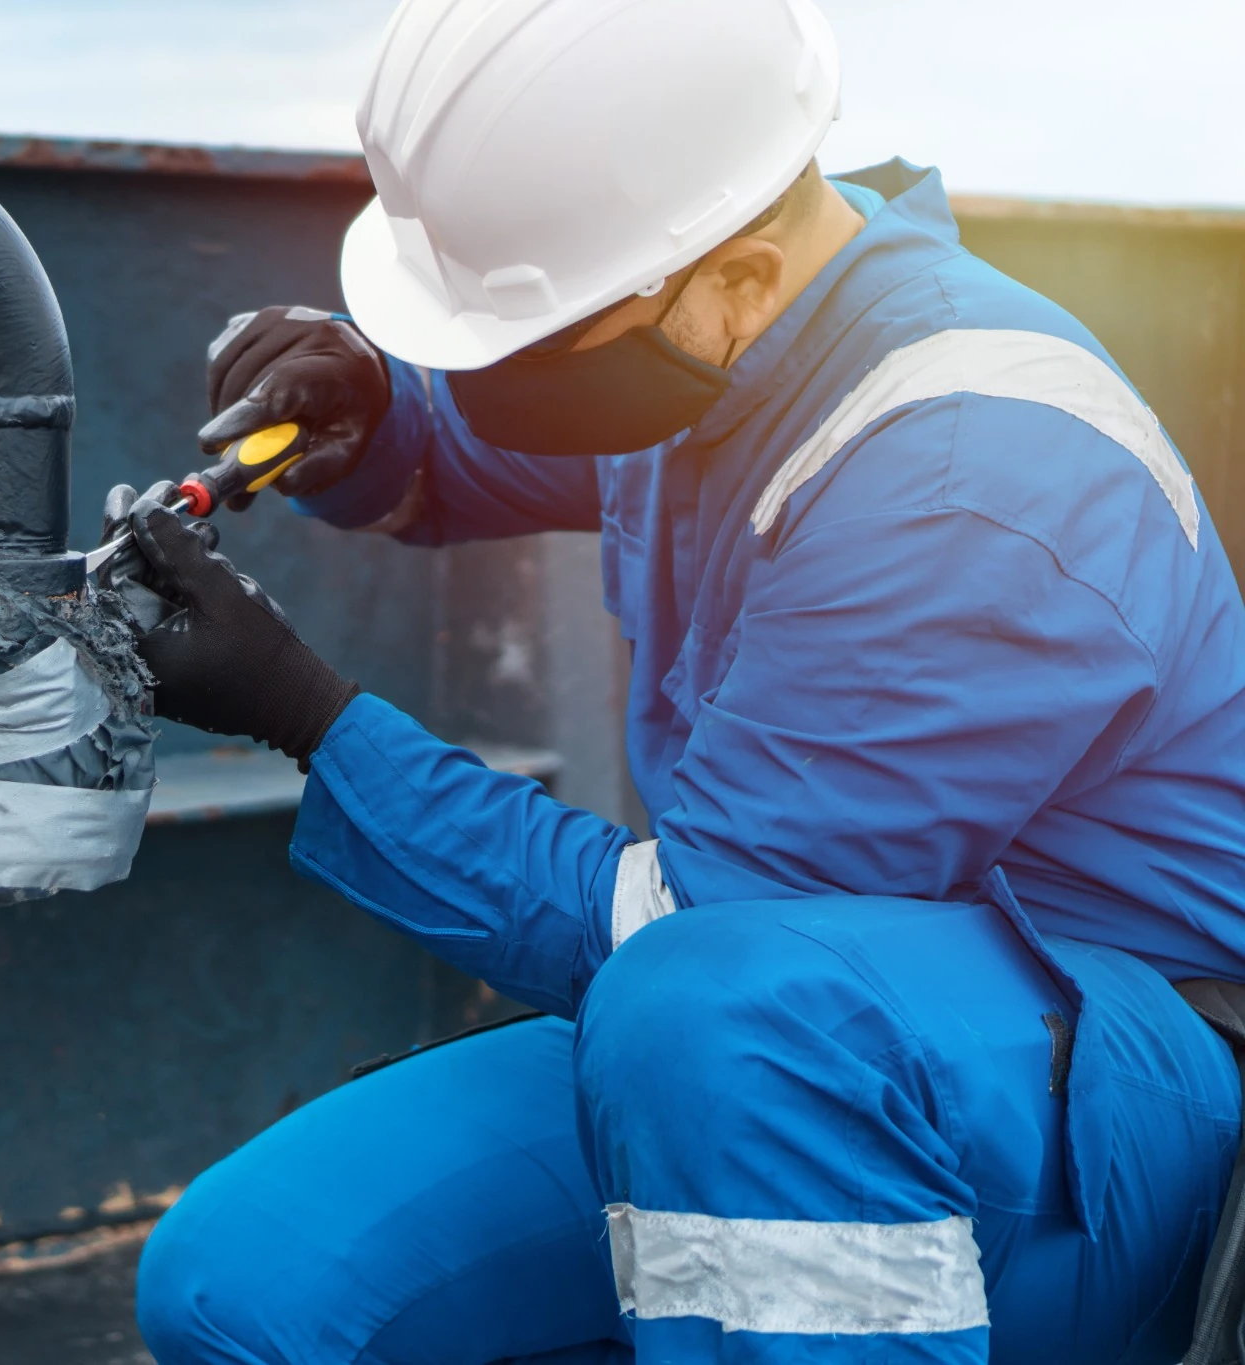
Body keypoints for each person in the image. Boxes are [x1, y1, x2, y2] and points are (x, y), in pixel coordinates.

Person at [103, 0, 1245, 1362]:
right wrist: (364, 419)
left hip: (1118, 1087)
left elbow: (665, 931)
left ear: (740, 282)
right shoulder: (726, 345)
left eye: (523, 338)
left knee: (717, 1015)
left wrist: (304, 715)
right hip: (803, 1037)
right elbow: (505, 440)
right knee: (249, 1287)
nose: (494, 375)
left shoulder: (974, 487)